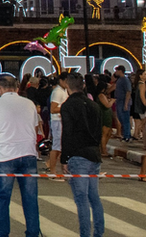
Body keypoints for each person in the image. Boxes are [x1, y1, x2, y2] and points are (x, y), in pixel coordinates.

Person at [0, 74, 41, 237]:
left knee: (2, 197)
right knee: (30, 198)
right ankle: (33, 232)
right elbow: (35, 128)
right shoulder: (29, 103)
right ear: (16, 88)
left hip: (6, 156)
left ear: (0, 89)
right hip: (29, 154)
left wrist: (0, 137)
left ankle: (2, 233)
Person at [60, 73, 104, 237]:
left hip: (78, 155)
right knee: (94, 197)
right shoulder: (94, 105)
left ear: (67, 86)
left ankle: (85, 234)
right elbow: (99, 132)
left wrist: (64, 158)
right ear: (83, 86)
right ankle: (98, 232)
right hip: (94, 154)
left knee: (81, 199)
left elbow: (67, 133)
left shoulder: (68, 105)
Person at [45, 74, 68, 174]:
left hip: (62, 120)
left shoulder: (64, 91)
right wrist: (66, 108)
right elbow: (53, 109)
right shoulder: (57, 92)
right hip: (57, 121)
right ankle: (52, 170)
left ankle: (51, 164)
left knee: (61, 146)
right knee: (57, 146)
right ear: (61, 81)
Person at [113, 66, 132, 142]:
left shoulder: (125, 80)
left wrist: (126, 104)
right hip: (119, 101)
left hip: (123, 102)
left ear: (120, 71)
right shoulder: (119, 80)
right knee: (121, 118)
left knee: (125, 119)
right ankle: (125, 134)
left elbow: (128, 92)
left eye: (117, 70)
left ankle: (127, 136)